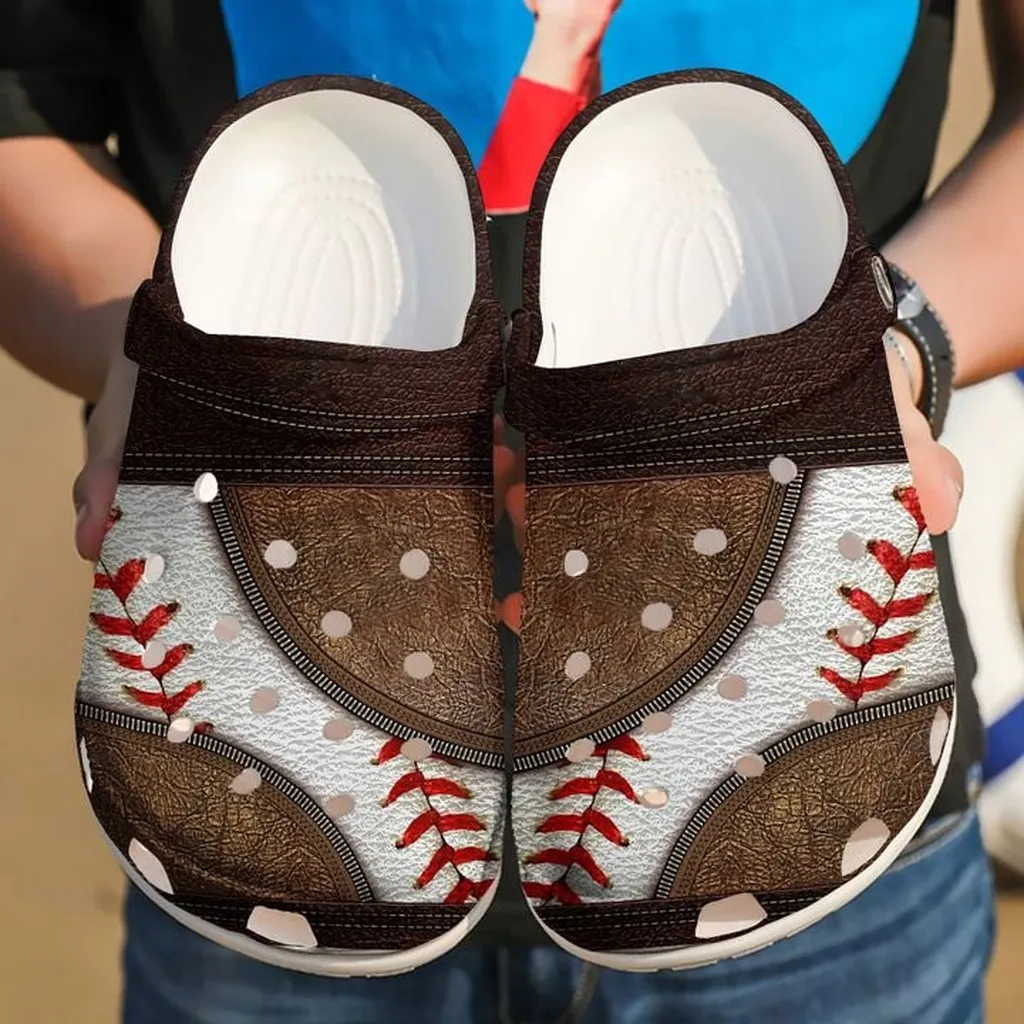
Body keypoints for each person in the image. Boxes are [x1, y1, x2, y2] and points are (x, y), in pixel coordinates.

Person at [2, 1, 1023, 1021]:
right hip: (256, 882)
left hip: (830, 872)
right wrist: (140, 358)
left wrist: (900, 346)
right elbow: (20, 106)